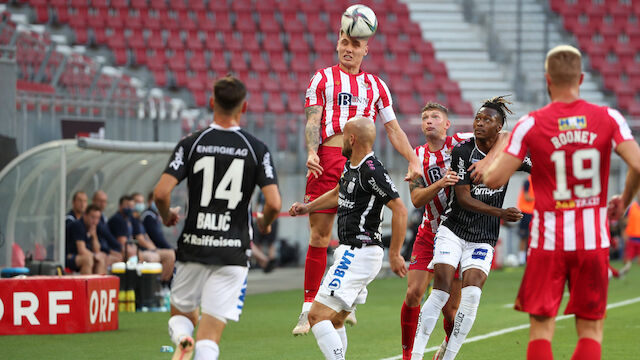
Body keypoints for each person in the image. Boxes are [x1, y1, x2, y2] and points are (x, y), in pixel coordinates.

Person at [483, 45, 640, 360]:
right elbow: (637, 164)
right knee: (591, 331)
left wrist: (498, 148)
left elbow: (493, 180)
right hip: (592, 241)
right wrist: (623, 202)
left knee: (541, 330)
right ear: (581, 78)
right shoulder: (609, 117)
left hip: (548, 242)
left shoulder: (531, 123)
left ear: (547, 80)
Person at [293, 26, 421, 335]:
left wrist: (413, 158)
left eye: (356, 44)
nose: (348, 48)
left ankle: (348, 300)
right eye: (344, 42)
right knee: (320, 235)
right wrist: (311, 151)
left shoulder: (376, 85)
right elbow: (313, 119)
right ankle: (308, 306)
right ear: (337, 43)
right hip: (327, 157)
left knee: (364, 235)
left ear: (366, 50)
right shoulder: (321, 78)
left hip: (361, 164)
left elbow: (392, 128)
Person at [153, 76, 281, 360]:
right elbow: (273, 202)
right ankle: (193, 343)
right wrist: (265, 222)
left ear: (212, 102)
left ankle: (183, 338)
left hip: (194, 244)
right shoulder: (255, 148)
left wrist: (166, 216)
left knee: (181, 314)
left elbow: (161, 193)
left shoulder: (192, 142)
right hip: (233, 249)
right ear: (244, 106)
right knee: (210, 336)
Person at [412, 96, 530, 360]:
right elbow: (464, 199)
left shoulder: (510, 155)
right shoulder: (463, 151)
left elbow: (533, 158)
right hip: (453, 229)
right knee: (441, 291)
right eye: (478, 118)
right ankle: (417, 355)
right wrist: (502, 213)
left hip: (483, 238)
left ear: (498, 128)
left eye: (488, 119)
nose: (480, 123)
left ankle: (449, 355)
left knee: (472, 296)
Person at [289, 117, 408, 360]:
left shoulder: (372, 170)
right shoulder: (352, 165)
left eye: (343, 136)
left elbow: (400, 209)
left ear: (351, 139)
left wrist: (395, 253)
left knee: (316, 316)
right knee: (334, 320)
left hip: (359, 251)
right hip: (354, 253)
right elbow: (337, 193)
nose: (341, 140)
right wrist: (307, 207)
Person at [400, 103, 472, 360]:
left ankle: (445, 346)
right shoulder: (416, 157)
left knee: (450, 311)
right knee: (413, 293)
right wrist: (442, 182)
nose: (428, 121)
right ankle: (409, 355)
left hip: (460, 233)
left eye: (434, 116)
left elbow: (493, 138)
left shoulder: (463, 143)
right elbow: (417, 199)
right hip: (429, 233)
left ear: (447, 124)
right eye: (424, 117)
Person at [132, 192, 176, 283]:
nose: (140, 205)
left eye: (141, 202)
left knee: (171, 254)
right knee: (157, 257)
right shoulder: (147, 216)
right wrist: (154, 249)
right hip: (140, 251)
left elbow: (146, 237)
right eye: (137, 202)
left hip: (149, 249)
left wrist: (154, 248)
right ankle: (157, 284)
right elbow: (141, 239)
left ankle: (163, 283)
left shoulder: (140, 219)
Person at [108, 195, 160, 263]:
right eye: (127, 205)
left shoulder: (129, 219)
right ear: (120, 206)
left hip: (130, 249)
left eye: (131, 206)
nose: (130, 208)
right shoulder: (118, 219)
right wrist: (137, 252)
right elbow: (123, 243)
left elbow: (132, 239)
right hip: (117, 250)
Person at [65, 204, 108, 274]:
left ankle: (97, 284)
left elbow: (97, 250)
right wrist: (95, 256)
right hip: (68, 256)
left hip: (80, 256)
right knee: (88, 260)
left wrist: (94, 236)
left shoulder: (92, 227)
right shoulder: (78, 225)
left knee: (101, 260)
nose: (95, 221)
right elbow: (81, 250)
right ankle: (86, 284)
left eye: (97, 218)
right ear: (85, 215)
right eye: (93, 217)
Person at [92, 190, 123, 266]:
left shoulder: (103, 218)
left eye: (104, 201)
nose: (102, 204)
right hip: (97, 250)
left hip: (104, 249)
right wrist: (110, 251)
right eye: (100, 201)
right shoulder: (92, 219)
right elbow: (106, 234)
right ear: (93, 201)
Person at [516, 176, 535, 265]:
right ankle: (521, 259)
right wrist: (540, 197)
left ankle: (530, 258)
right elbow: (527, 197)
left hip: (533, 212)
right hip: (526, 212)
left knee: (533, 237)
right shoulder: (528, 181)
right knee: (523, 236)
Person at [620, 197, 640, 275]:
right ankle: (625, 270)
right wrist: (623, 232)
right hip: (631, 237)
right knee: (627, 259)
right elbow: (624, 220)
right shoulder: (631, 207)